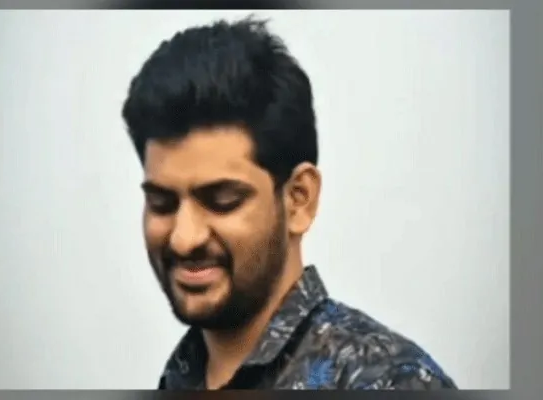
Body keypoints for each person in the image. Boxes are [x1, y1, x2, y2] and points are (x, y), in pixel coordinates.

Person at [121, 16, 457, 390]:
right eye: (162, 203)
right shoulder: (181, 376)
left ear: (299, 199)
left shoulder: (391, 381)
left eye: (223, 201)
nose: (184, 238)